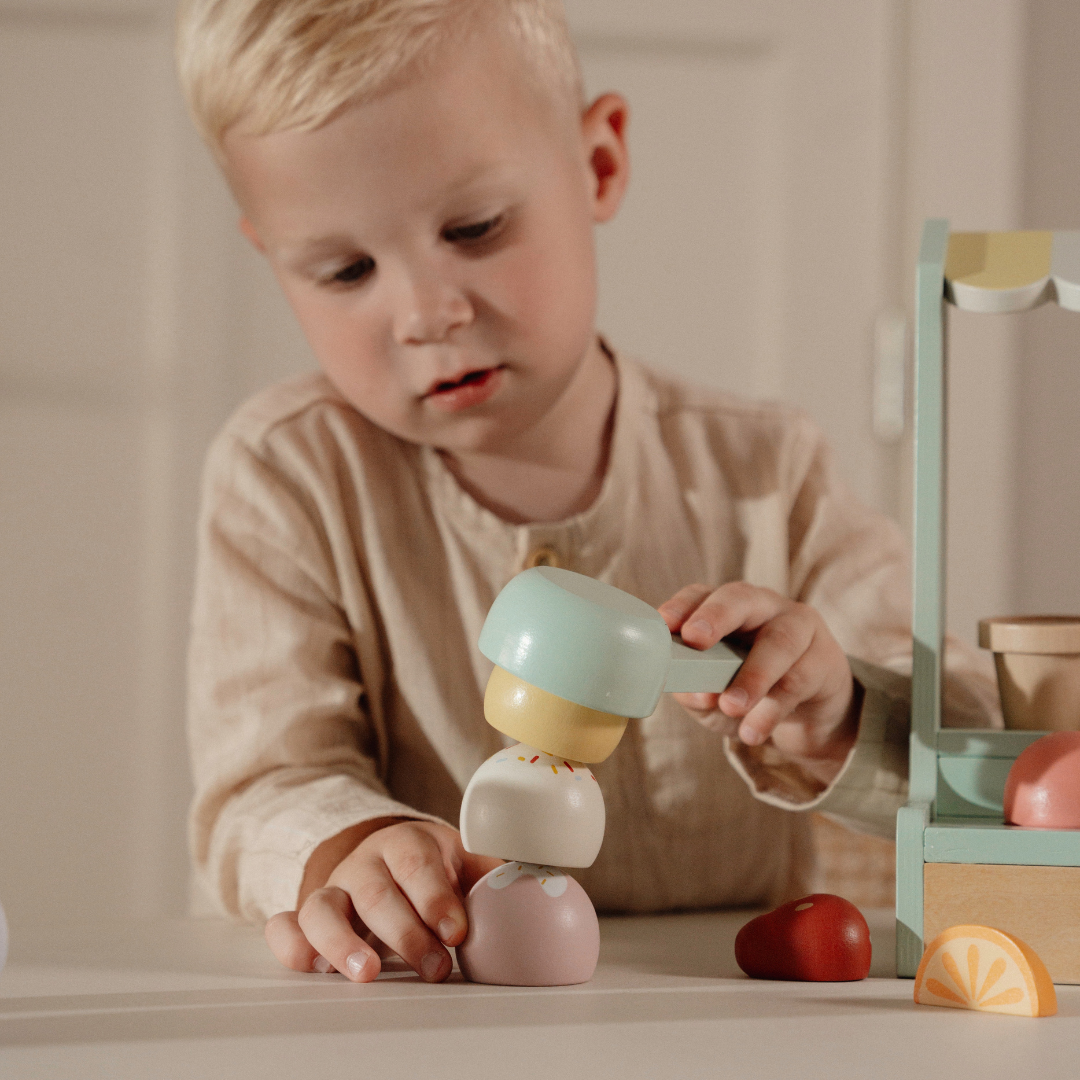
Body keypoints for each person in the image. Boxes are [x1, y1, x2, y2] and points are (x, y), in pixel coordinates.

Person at [176, 0, 998, 985]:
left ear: (599, 163)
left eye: (474, 228)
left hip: (722, 1013)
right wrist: (347, 849)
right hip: (426, 1023)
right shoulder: (288, 476)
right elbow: (262, 784)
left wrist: (834, 712)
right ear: (271, 256)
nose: (428, 313)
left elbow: (977, 750)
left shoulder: (768, 472)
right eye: (345, 269)